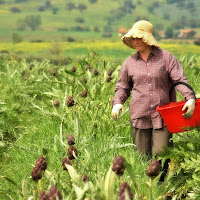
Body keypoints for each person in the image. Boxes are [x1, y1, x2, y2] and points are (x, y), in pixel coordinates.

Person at [111, 20, 196, 181]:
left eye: (139, 38)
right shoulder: (129, 63)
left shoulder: (166, 58)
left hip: (163, 117)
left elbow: (180, 80)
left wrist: (189, 98)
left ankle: (162, 188)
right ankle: (146, 189)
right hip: (139, 116)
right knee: (143, 158)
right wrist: (117, 102)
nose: (135, 41)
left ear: (148, 38)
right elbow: (122, 87)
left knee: (162, 155)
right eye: (133, 38)